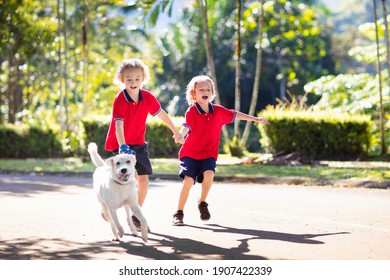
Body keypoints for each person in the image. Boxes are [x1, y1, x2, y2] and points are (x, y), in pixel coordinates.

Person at [172, 75, 268, 226]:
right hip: (190, 153)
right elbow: (186, 126)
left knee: (209, 174)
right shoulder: (192, 111)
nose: (205, 92)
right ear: (193, 94)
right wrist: (180, 135)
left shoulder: (218, 111)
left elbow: (236, 114)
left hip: (208, 154)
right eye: (201, 89)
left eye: (208, 89)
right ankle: (179, 212)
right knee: (188, 181)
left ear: (212, 93)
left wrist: (255, 119)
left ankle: (202, 202)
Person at [105, 58, 183, 229]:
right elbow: (118, 125)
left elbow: (161, 114)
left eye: (137, 79)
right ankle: (108, 206)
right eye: (129, 79)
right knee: (122, 181)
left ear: (143, 79)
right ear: (122, 80)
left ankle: (136, 215)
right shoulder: (120, 99)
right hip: (120, 145)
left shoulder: (147, 97)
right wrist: (123, 146)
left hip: (139, 144)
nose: (133, 83)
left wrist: (175, 131)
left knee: (143, 180)